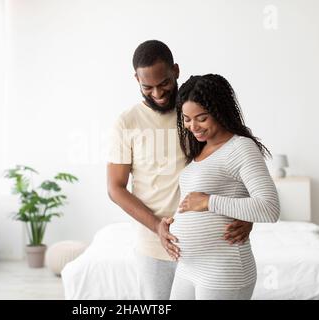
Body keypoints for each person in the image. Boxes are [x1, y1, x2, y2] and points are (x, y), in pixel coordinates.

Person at [107, 40, 254, 300]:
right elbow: (115, 188)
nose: (158, 93)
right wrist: (157, 227)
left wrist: (247, 215)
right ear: (136, 80)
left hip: (212, 248)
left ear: (175, 70)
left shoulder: (196, 113)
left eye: (163, 83)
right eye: (147, 87)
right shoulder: (127, 122)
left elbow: (233, 163)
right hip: (155, 247)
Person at [169, 74, 280, 300]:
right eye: (187, 119)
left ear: (219, 111)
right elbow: (193, 202)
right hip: (188, 268)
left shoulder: (241, 148)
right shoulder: (199, 151)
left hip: (223, 269)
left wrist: (209, 201)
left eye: (201, 118)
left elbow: (269, 208)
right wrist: (171, 222)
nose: (193, 126)